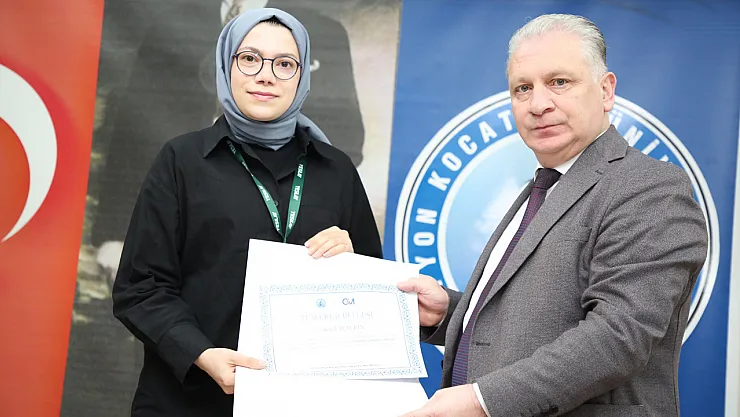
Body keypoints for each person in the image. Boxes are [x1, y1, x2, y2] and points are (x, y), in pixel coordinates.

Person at [399, 14, 708, 417]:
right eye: (522, 88)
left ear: (605, 90)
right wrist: (450, 313)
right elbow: (540, 314)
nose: (538, 104)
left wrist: (482, 402)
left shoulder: (650, 188)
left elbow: (617, 337)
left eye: (559, 82)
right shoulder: (545, 186)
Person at [111, 8, 382, 417]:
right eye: (250, 58)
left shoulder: (337, 171)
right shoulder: (182, 160)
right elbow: (140, 288)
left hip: (302, 405)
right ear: (226, 66)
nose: (266, 75)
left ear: (303, 77)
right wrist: (201, 354)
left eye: (285, 64)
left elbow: (374, 299)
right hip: (187, 401)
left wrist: (353, 263)